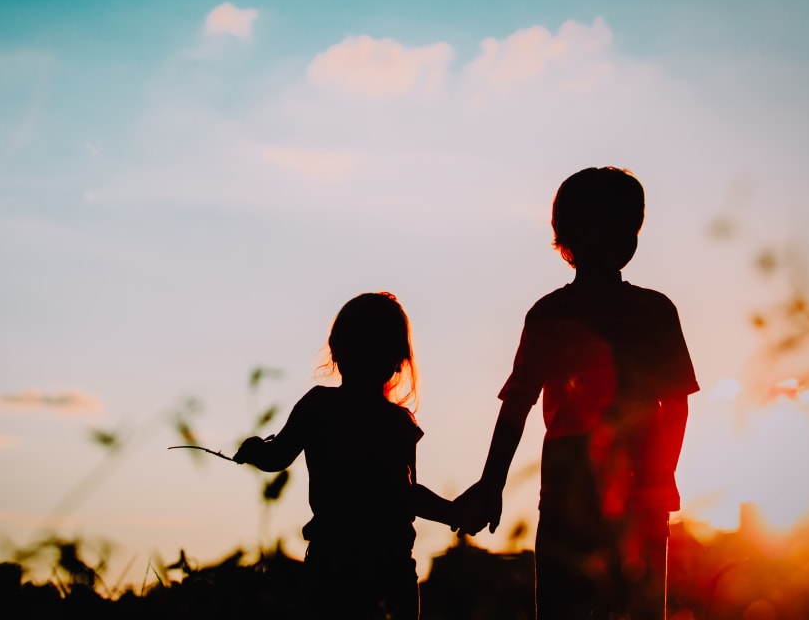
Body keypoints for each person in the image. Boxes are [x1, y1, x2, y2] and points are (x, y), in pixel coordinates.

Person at [454, 167, 699, 620]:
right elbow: (676, 404)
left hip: (584, 497)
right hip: (610, 497)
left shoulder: (554, 313)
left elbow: (517, 405)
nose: (619, 237)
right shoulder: (648, 311)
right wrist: (661, 473)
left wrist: (492, 483)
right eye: (612, 226)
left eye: (627, 226)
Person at [234, 291, 454, 620]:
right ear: (399, 360)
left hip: (337, 565)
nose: (366, 356)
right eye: (362, 345)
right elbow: (408, 496)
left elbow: (277, 456)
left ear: (336, 349)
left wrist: (255, 450)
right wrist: (454, 512)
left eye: (375, 346)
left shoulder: (320, 407)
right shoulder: (393, 421)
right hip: (385, 567)